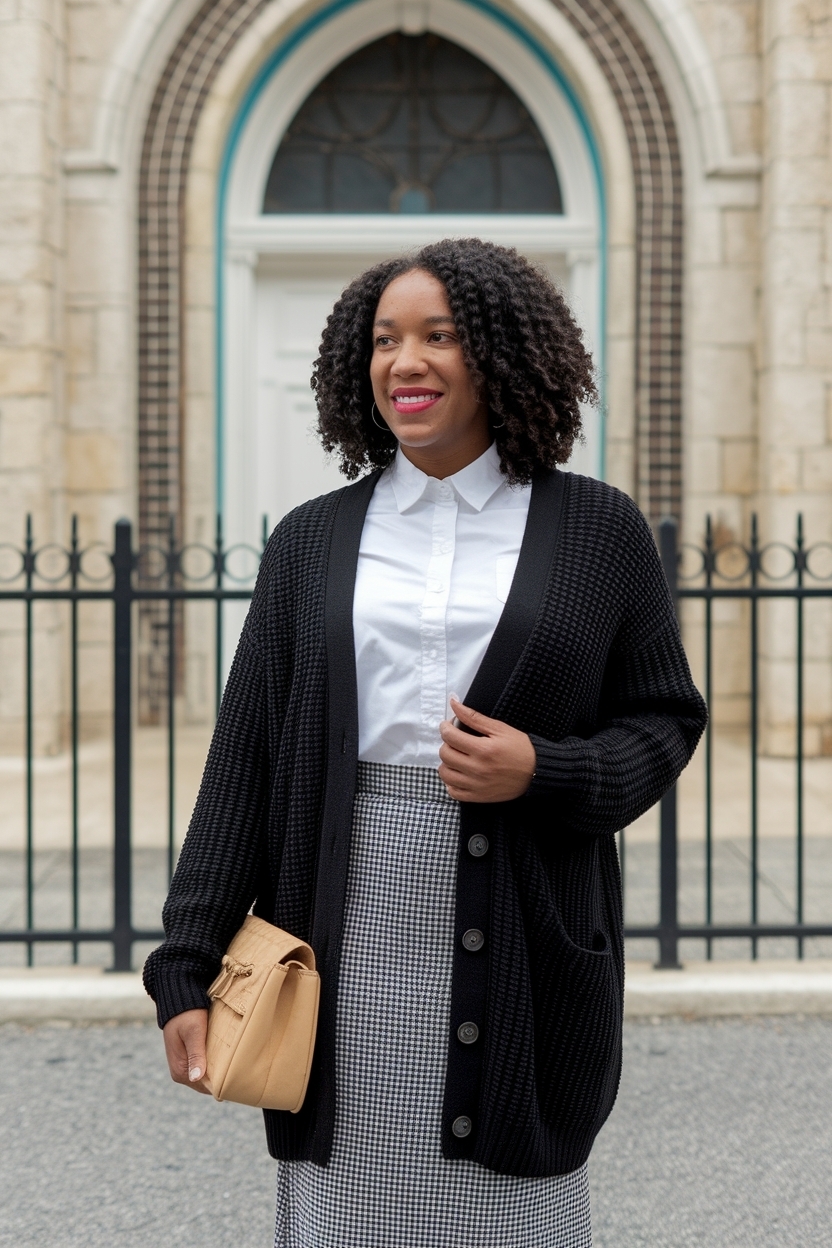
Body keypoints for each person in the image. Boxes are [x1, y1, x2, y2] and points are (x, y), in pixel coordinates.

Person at [143, 237, 707, 1247]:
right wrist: (185, 961)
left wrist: (547, 769)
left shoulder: (597, 531)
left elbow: (663, 719)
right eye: (384, 339)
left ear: (500, 353)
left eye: (438, 336)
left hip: (525, 932)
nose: (405, 362)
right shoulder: (311, 541)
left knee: (513, 1204)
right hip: (343, 924)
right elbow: (246, 760)